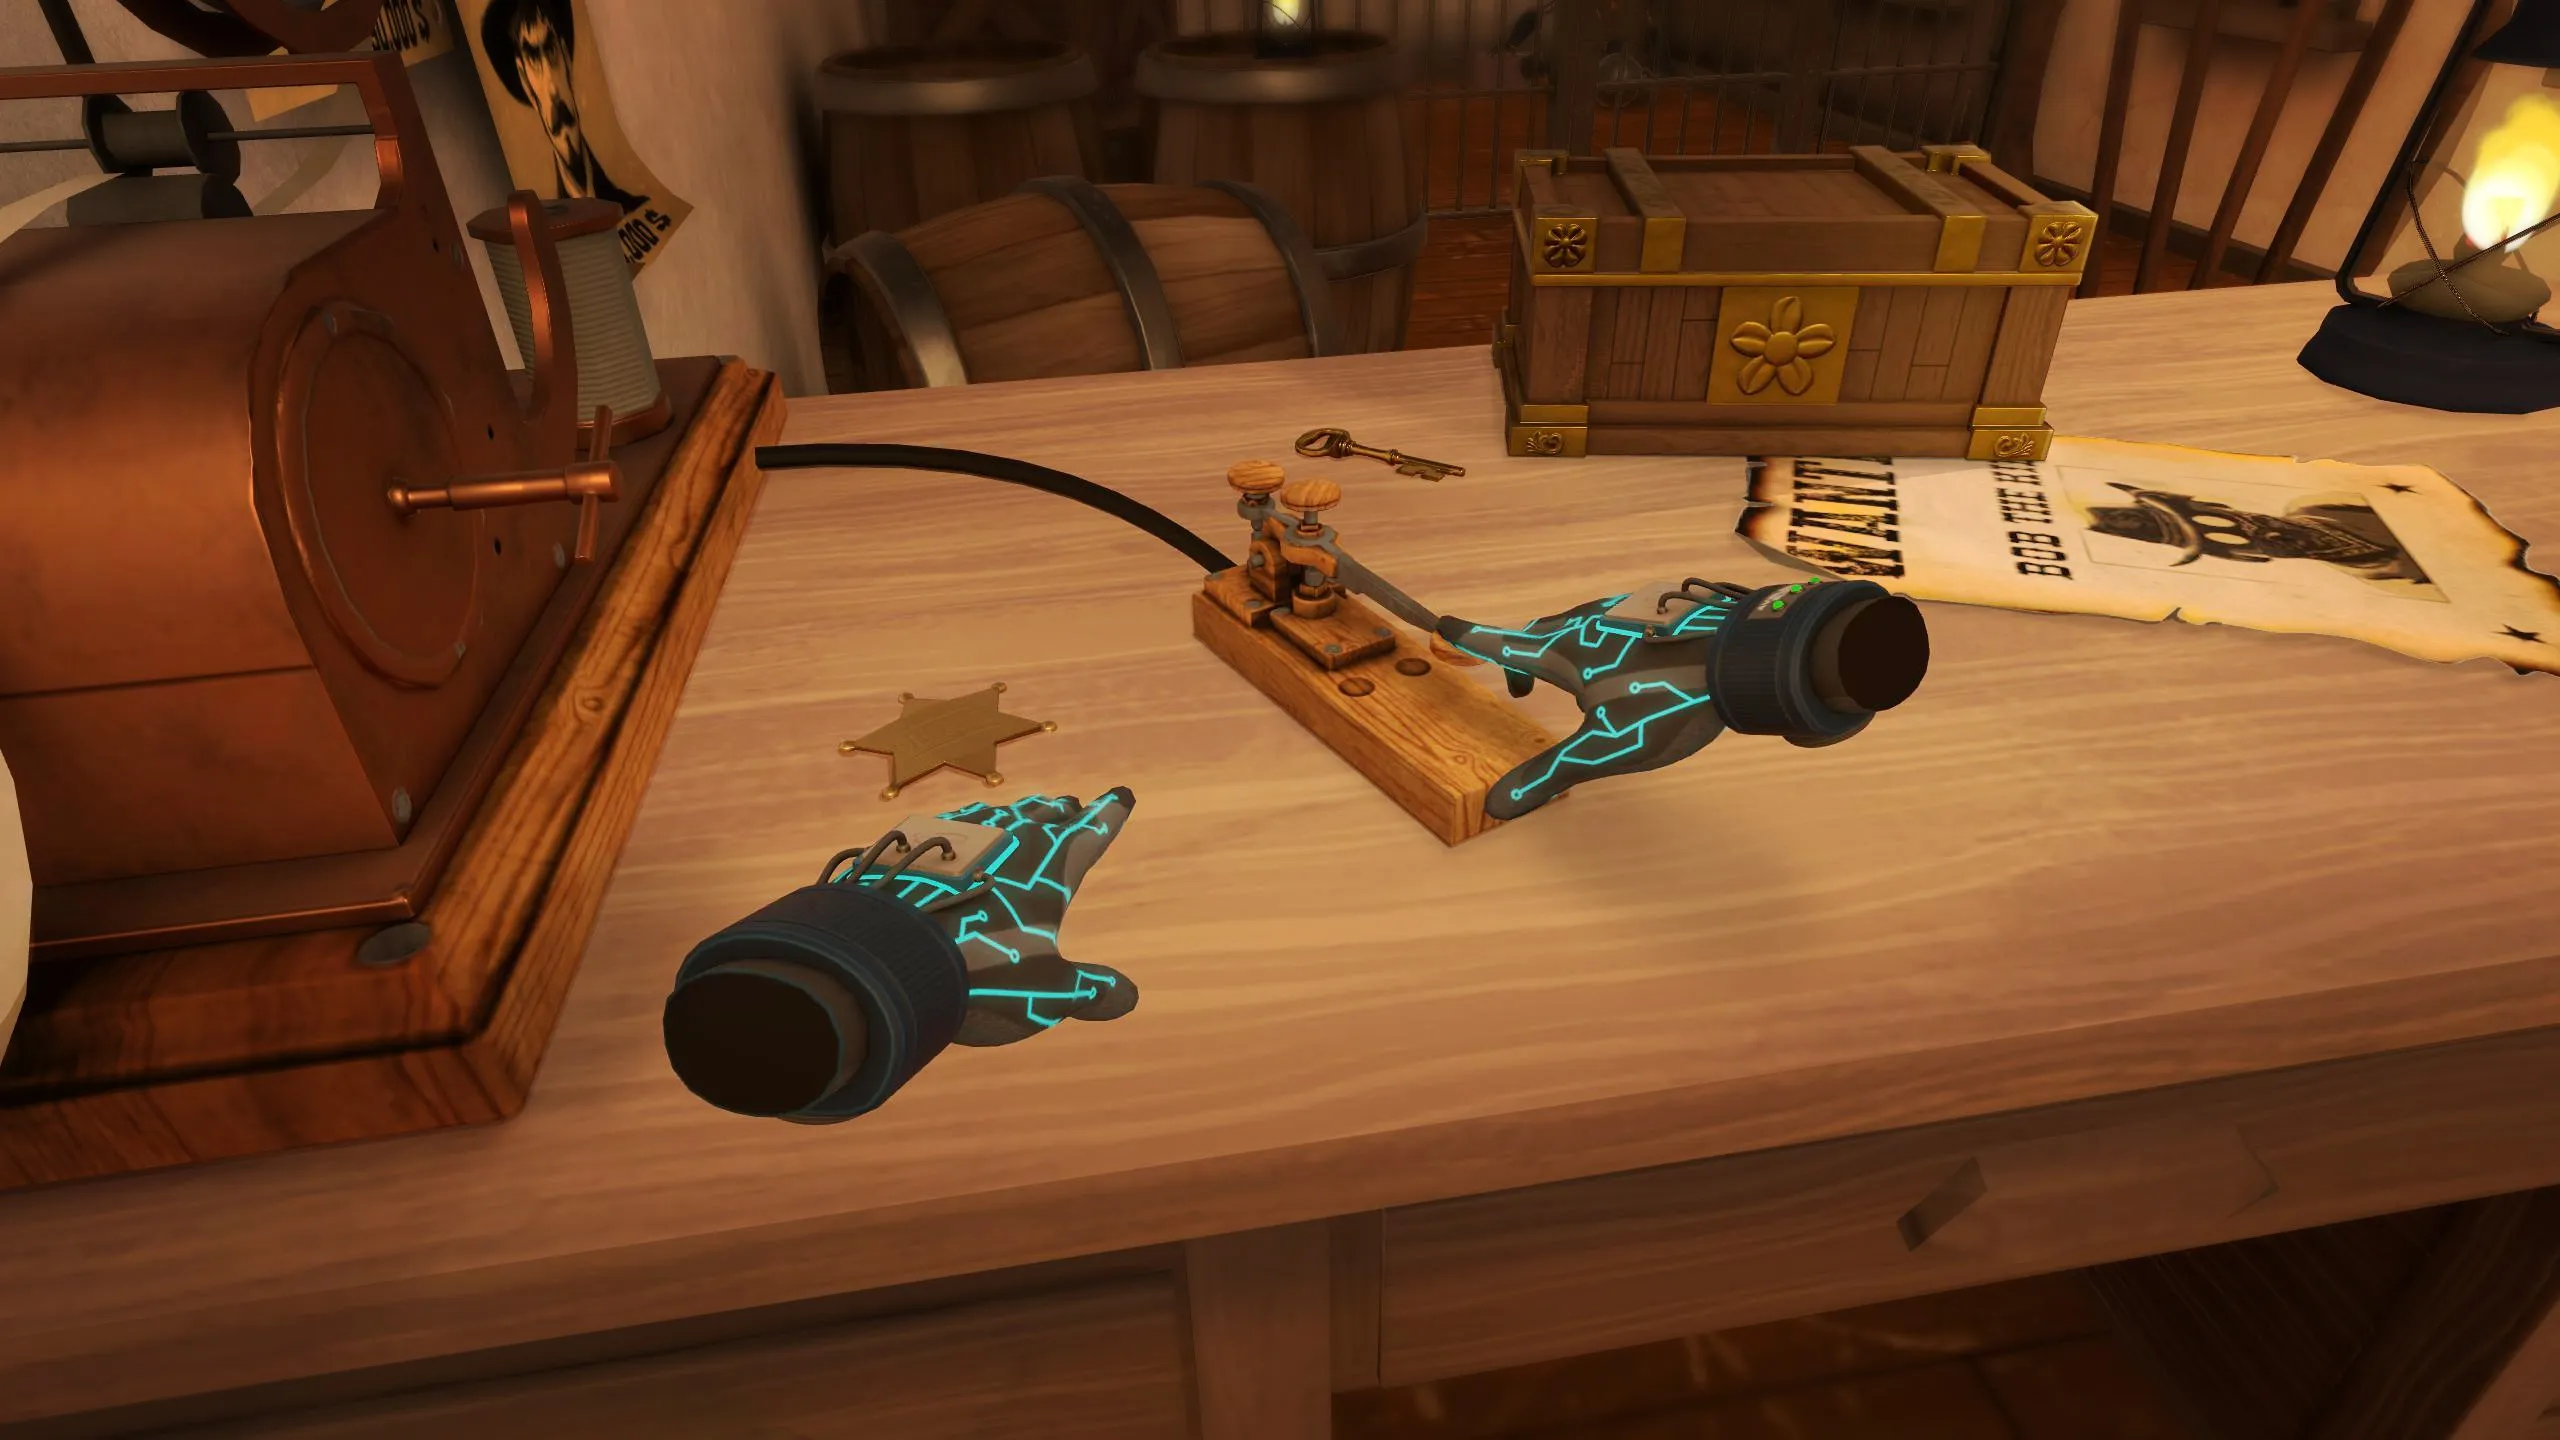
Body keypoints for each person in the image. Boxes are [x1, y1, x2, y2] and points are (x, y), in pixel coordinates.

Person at [477, 0, 648, 212]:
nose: (552, 87)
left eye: (550, 50)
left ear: (566, 58)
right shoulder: (548, 227)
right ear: (525, 81)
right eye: (534, 58)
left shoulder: (635, 208)